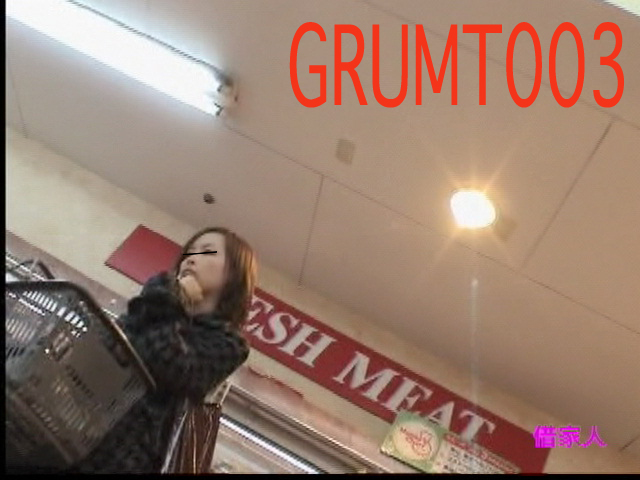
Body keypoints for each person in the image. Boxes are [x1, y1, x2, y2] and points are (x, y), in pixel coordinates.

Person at [72, 226, 257, 473]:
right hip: (78, 429)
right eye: (189, 251)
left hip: (124, 454)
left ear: (234, 274)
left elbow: (169, 362)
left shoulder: (229, 343)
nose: (191, 258)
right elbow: (112, 343)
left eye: (207, 252)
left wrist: (173, 300)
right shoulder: (157, 301)